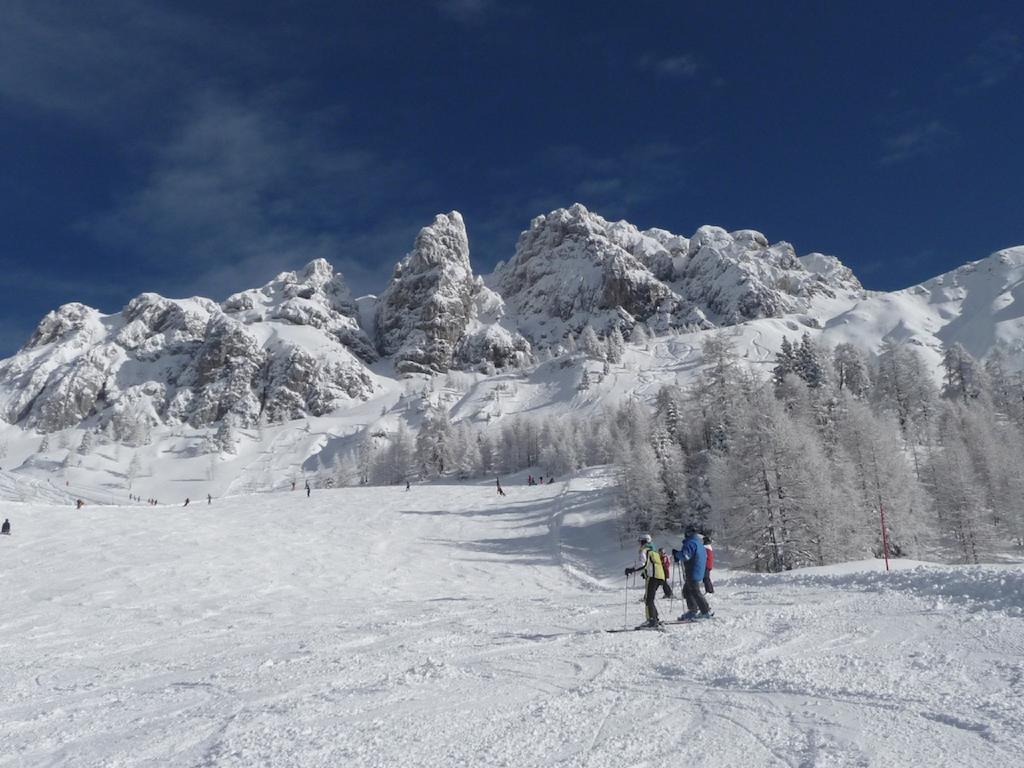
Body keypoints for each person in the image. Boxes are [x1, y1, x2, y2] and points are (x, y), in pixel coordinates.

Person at [625, 534, 667, 628]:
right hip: (660, 577)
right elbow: (652, 564)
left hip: (652, 577)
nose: (639, 544)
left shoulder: (644, 550)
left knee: (648, 599)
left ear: (643, 541)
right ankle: (655, 618)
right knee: (650, 599)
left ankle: (651, 620)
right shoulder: (654, 551)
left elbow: (642, 564)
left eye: (640, 542)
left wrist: (631, 570)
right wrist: (645, 573)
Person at [673, 525, 713, 620]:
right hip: (698, 570)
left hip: (693, 570)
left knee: (695, 591)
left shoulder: (690, 543)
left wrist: (677, 554)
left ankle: (705, 611)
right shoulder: (698, 543)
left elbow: (685, 556)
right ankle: (694, 610)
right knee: (687, 591)